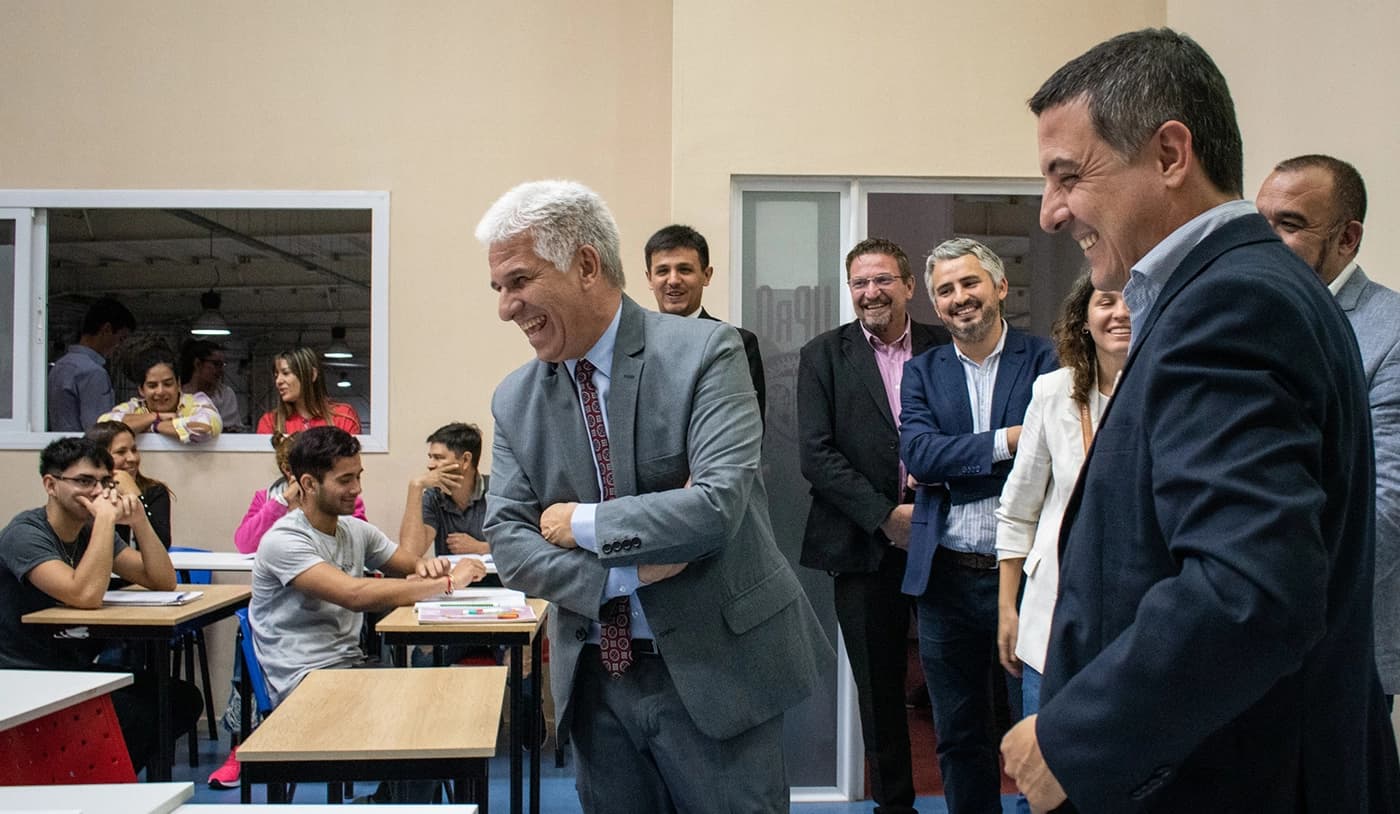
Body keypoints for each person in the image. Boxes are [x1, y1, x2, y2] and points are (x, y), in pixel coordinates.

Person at [1002, 28, 1400, 811]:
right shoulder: (1249, 288)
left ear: (1171, 154)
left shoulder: (1230, 305)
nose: (1051, 213)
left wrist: (1073, 736)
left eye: (1067, 176)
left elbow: (1249, 588)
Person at [478, 179, 830, 813]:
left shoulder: (707, 354)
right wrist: (627, 573)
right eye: (499, 288)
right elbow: (511, 546)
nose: (506, 308)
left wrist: (580, 522)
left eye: (519, 281)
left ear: (586, 265)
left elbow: (717, 508)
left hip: (718, 671)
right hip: (597, 685)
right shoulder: (515, 399)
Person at [899, 237, 1057, 813]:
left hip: (1026, 582)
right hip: (945, 580)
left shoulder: (1045, 360)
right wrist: (1009, 442)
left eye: (970, 284)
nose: (960, 298)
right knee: (959, 735)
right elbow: (918, 456)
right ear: (936, 305)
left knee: (1035, 732)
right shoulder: (923, 371)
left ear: (999, 287)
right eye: (946, 290)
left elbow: (1051, 460)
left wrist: (956, 461)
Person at [796, 236, 949, 814]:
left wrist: (926, 512)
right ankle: (895, 807)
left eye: (883, 279)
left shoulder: (943, 347)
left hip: (947, 541)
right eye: (860, 282)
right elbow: (817, 455)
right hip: (862, 547)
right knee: (880, 693)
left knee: (958, 681)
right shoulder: (823, 355)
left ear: (909, 286)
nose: (870, 292)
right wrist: (886, 518)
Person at [1256, 154, 1400, 705]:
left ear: (1346, 238)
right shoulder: (1243, 315)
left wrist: (1272, 601)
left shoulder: (1389, 333)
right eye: (1259, 223)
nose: (1266, 242)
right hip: (1233, 644)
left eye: (1289, 225)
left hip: (1337, 647)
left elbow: (1384, 511)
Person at [0, 437, 201, 774]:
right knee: (138, 711)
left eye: (104, 483)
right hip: (25, 669)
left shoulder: (91, 528)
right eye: (83, 482)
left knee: (178, 700)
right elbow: (84, 595)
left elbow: (161, 580)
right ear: (51, 484)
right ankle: (93, 780)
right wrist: (107, 520)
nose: (96, 492)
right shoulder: (26, 533)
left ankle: (104, 778)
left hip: (70, 666)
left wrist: (139, 520)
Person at [249, 426, 486, 707]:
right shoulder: (284, 540)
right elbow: (355, 594)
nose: (357, 489)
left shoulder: (354, 530)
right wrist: (448, 583)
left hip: (349, 666)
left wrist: (438, 568)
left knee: (441, 701)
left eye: (358, 477)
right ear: (310, 484)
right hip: (302, 680)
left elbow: (412, 562)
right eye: (345, 480)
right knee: (427, 707)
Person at [994, 275, 1129, 731]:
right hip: (1053, 617)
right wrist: (1008, 608)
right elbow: (1018, 508)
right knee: (1046, 773)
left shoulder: (1170, 392)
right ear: (1085, 320)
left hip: (1138, 618)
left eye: (1132, 302)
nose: (1120, 313)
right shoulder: (1054, 392)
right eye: (1106, 302)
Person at [643, 224, 766, 421]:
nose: (673, 280)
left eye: (684, 269)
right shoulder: (632, 346)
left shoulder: (738, 343)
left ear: (706, 275)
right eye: (663, 271)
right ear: (649, 279)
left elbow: (746, 429)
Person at [233, 431, 366, 554]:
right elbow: (245, 545)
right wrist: (281, 503)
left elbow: (360, 544)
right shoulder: (267, 497)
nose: (356, 489)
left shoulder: (343, 497)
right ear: (287, 470)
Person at [399, 422, 490, 558]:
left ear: (465, 460)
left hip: (496, 578)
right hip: (452, 579)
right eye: (430, 457)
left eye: (439, 458)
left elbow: (525, 545)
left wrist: (482, 548)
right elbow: (410, 553)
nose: (430, 465)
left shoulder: (497, 492)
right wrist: (415, 487)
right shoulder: (433, 496)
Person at [47, 297, 136, 431]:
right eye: (121, 338)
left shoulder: (59, 366)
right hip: (84, 448)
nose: (120, 346)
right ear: (106, 330)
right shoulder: (93, 372)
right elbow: (99, 428)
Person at [99, 349, 221, 443]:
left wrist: (154, 426)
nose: (161, 391)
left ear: (178, 384)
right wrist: (156, 417)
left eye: (168, 384)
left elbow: (206, 426)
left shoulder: (197, 400)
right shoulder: (134, 407)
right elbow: (104, 424)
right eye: (152, 386)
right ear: (141, 390)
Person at [85, 420, 173, 550]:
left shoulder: (154, 491)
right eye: (121, 452)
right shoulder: (84, 492)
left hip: (136, 568)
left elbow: (161, 546)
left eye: (134, 450)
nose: (132, 458)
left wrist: (135, 495)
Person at [255, 347, 361, 434]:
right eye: (276, 375)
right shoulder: (271, 422)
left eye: (286, 373)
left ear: (311, 375)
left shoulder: (344, 416)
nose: (278, 381)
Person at [180, 339, 243, 429]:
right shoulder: (179, 395)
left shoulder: (225, 395)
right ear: (198, 364)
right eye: (216, 364)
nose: (221, 370)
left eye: (222, 365)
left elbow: (233, 430)